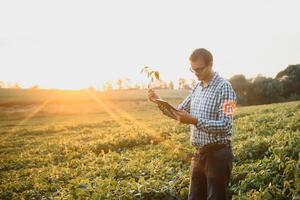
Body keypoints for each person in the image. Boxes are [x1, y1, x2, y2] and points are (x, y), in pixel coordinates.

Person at [148, 48, 237, 200]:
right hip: (199, 154)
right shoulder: (197, 88)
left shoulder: (225, 88)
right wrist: (158, 102)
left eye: (199, 69)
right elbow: (178, 113)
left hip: (218, 155)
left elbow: (226, 125)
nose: (196, 73)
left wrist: (195, 121)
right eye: (193, 70)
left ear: (211, 64)